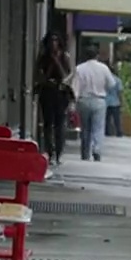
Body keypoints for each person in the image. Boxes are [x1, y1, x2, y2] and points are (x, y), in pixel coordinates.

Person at [35, 32, 75, 165]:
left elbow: (67, 75)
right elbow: (40, 75)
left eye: (56, 40)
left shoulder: (64, 57)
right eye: (51, 40)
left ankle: (58, 152)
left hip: (60, 92)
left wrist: (57, 61)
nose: (54, 44)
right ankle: (49, 150)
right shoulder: (43, 57)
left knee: (59, 123)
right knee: (48, 123)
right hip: (47, 91)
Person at [73, 44, 116, 162]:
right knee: (98, 127)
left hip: (83, 100)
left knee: (85, 128)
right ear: (97, 55)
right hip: (99, 100)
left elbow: (75, 87)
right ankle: (96, 150)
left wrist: (74, 102)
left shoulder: (79, 68)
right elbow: (111, 84)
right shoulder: (104, 68)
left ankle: (85, 152)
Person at [105, 65, 124, 137]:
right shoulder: (118, 80)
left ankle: (107, 132)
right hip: (115, 102)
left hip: (106, 102)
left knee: (107, 119)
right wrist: (121, 102)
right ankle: (119, 132)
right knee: (117, 119)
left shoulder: (105, 80)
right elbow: (120, 92)